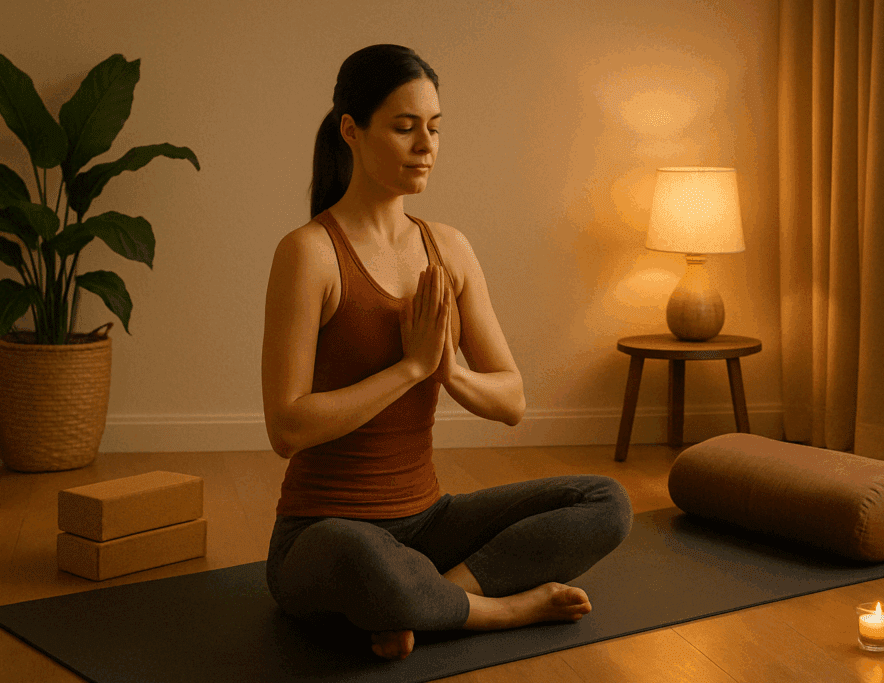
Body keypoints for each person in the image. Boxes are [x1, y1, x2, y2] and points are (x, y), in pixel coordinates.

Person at [261, 44, 633, 662]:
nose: (425, 145)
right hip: (325, 534)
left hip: (427, 524)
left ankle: (428, 603)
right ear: (351, 130)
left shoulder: (449, 249)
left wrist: (450, 371)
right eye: (405, 128)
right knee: (362, 558)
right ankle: (497, 610)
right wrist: (409, 369)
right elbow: (287, 428)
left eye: (434, 128)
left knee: (606, 503)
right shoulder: (309, 253)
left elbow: (512, 400)